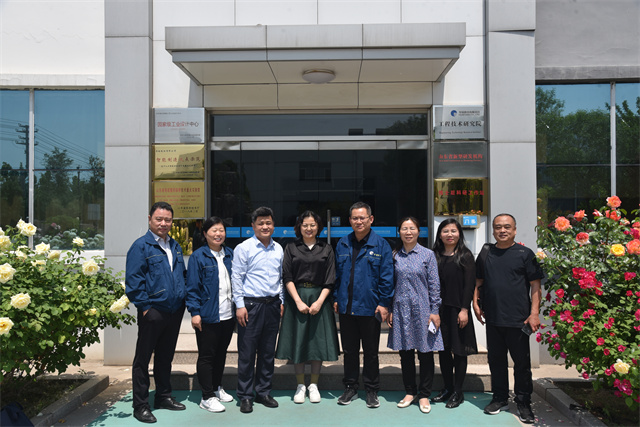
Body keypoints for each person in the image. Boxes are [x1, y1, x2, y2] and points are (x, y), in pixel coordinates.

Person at [473, 213, 543, 424]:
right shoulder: (486, 253)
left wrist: (534, 313)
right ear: (493, 230)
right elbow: (479, 281)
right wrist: (475, 303)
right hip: (493, 318)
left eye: (507, 227)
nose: (502, 230)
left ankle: (523, 402)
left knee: (521, 364)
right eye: (498, 227)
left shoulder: (525, 254)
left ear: (514, 230)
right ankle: (499, 398)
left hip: (519, 319)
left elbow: (535, 286)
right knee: (496, 362)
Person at [125, 201, 187, 424]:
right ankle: (141, 405)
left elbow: (180, 275)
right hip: (153, 311)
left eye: (167, 220)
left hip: (174, 311)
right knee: (142, 360)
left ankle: (163, 396)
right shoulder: (141, 246)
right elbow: (134, 280)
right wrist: (145, 307)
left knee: (165, 357)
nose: (163, 223)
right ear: (150, 219)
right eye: (159, 219)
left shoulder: (175, 245)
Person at [333, 201, 394, 408]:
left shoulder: (381, 245)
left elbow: (387, 277)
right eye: (355, 218)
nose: (358, 221)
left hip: (371, 307)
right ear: (350, 220)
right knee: (349, 351)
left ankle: (371, 389)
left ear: (371, 219)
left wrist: (384, 303)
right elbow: (336, 275)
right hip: (347, 307)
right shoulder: (343, 243)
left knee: (371, 352)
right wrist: (336, 298)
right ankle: (350, 387)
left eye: (362, 218)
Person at [275, 211, 339, 404]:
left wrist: (319, 302)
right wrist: (297, 301)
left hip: (320, 297)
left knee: (317, 342)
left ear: (318, 227)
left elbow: (330, 278)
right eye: (305, 225)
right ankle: (300, 385)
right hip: (297, 297)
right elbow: (287, 276)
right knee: (299, 340)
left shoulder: (326, 248)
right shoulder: (291, 248)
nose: (309, 228)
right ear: (299, 227)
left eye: (312, 225)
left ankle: (314, 385)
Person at [387, 217, 443, 414]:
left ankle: (424, 394)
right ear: (399, 232)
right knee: (406, 353)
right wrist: (390, 309)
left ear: (419, 231)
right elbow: (390, 285)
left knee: (425, 353)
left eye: (412, 228)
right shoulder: (394, 256)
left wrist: (435, 311)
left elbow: (434, 284)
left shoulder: (428, 255)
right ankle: (410, 392)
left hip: (423, 310)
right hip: (401, 310)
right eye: (404, 228)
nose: (408, 232)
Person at [232, 206, 284, 414]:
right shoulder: (243, 248)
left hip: (272, 305)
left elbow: (281, 278)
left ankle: (263, 392)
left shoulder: (278, 249)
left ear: (273, 225)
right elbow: (237, 277)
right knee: (247, 353)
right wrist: (240, 305)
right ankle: (245, 395)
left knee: (267, 352)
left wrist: (281, 301)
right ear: (253, 226)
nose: (265, 226)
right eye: (260, 223)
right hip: (251, 306)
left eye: (268, 223)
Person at [185, 217, 235, 413]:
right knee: (207, 356)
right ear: (205, 234)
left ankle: (216, 387)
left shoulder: (230, 254)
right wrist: (195, 312)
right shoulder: (198, 257)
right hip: (207, 314)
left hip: (227, 314)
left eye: (221, 230)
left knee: (221, 353)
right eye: (214, 230)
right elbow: (192, 287)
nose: (218, 234)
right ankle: (206, 396)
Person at [431, 218, 478, 409]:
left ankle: (458, 392)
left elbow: (469, 285)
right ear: (440, 235)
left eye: (453, 231)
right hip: (439, 311)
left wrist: (465, 309)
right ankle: (447, 388)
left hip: (458, 310)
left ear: (459, 234)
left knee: (459, 352)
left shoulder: (465, 255)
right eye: (445, 231)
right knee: (443, 351)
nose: (449, 235)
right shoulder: (434, 255)